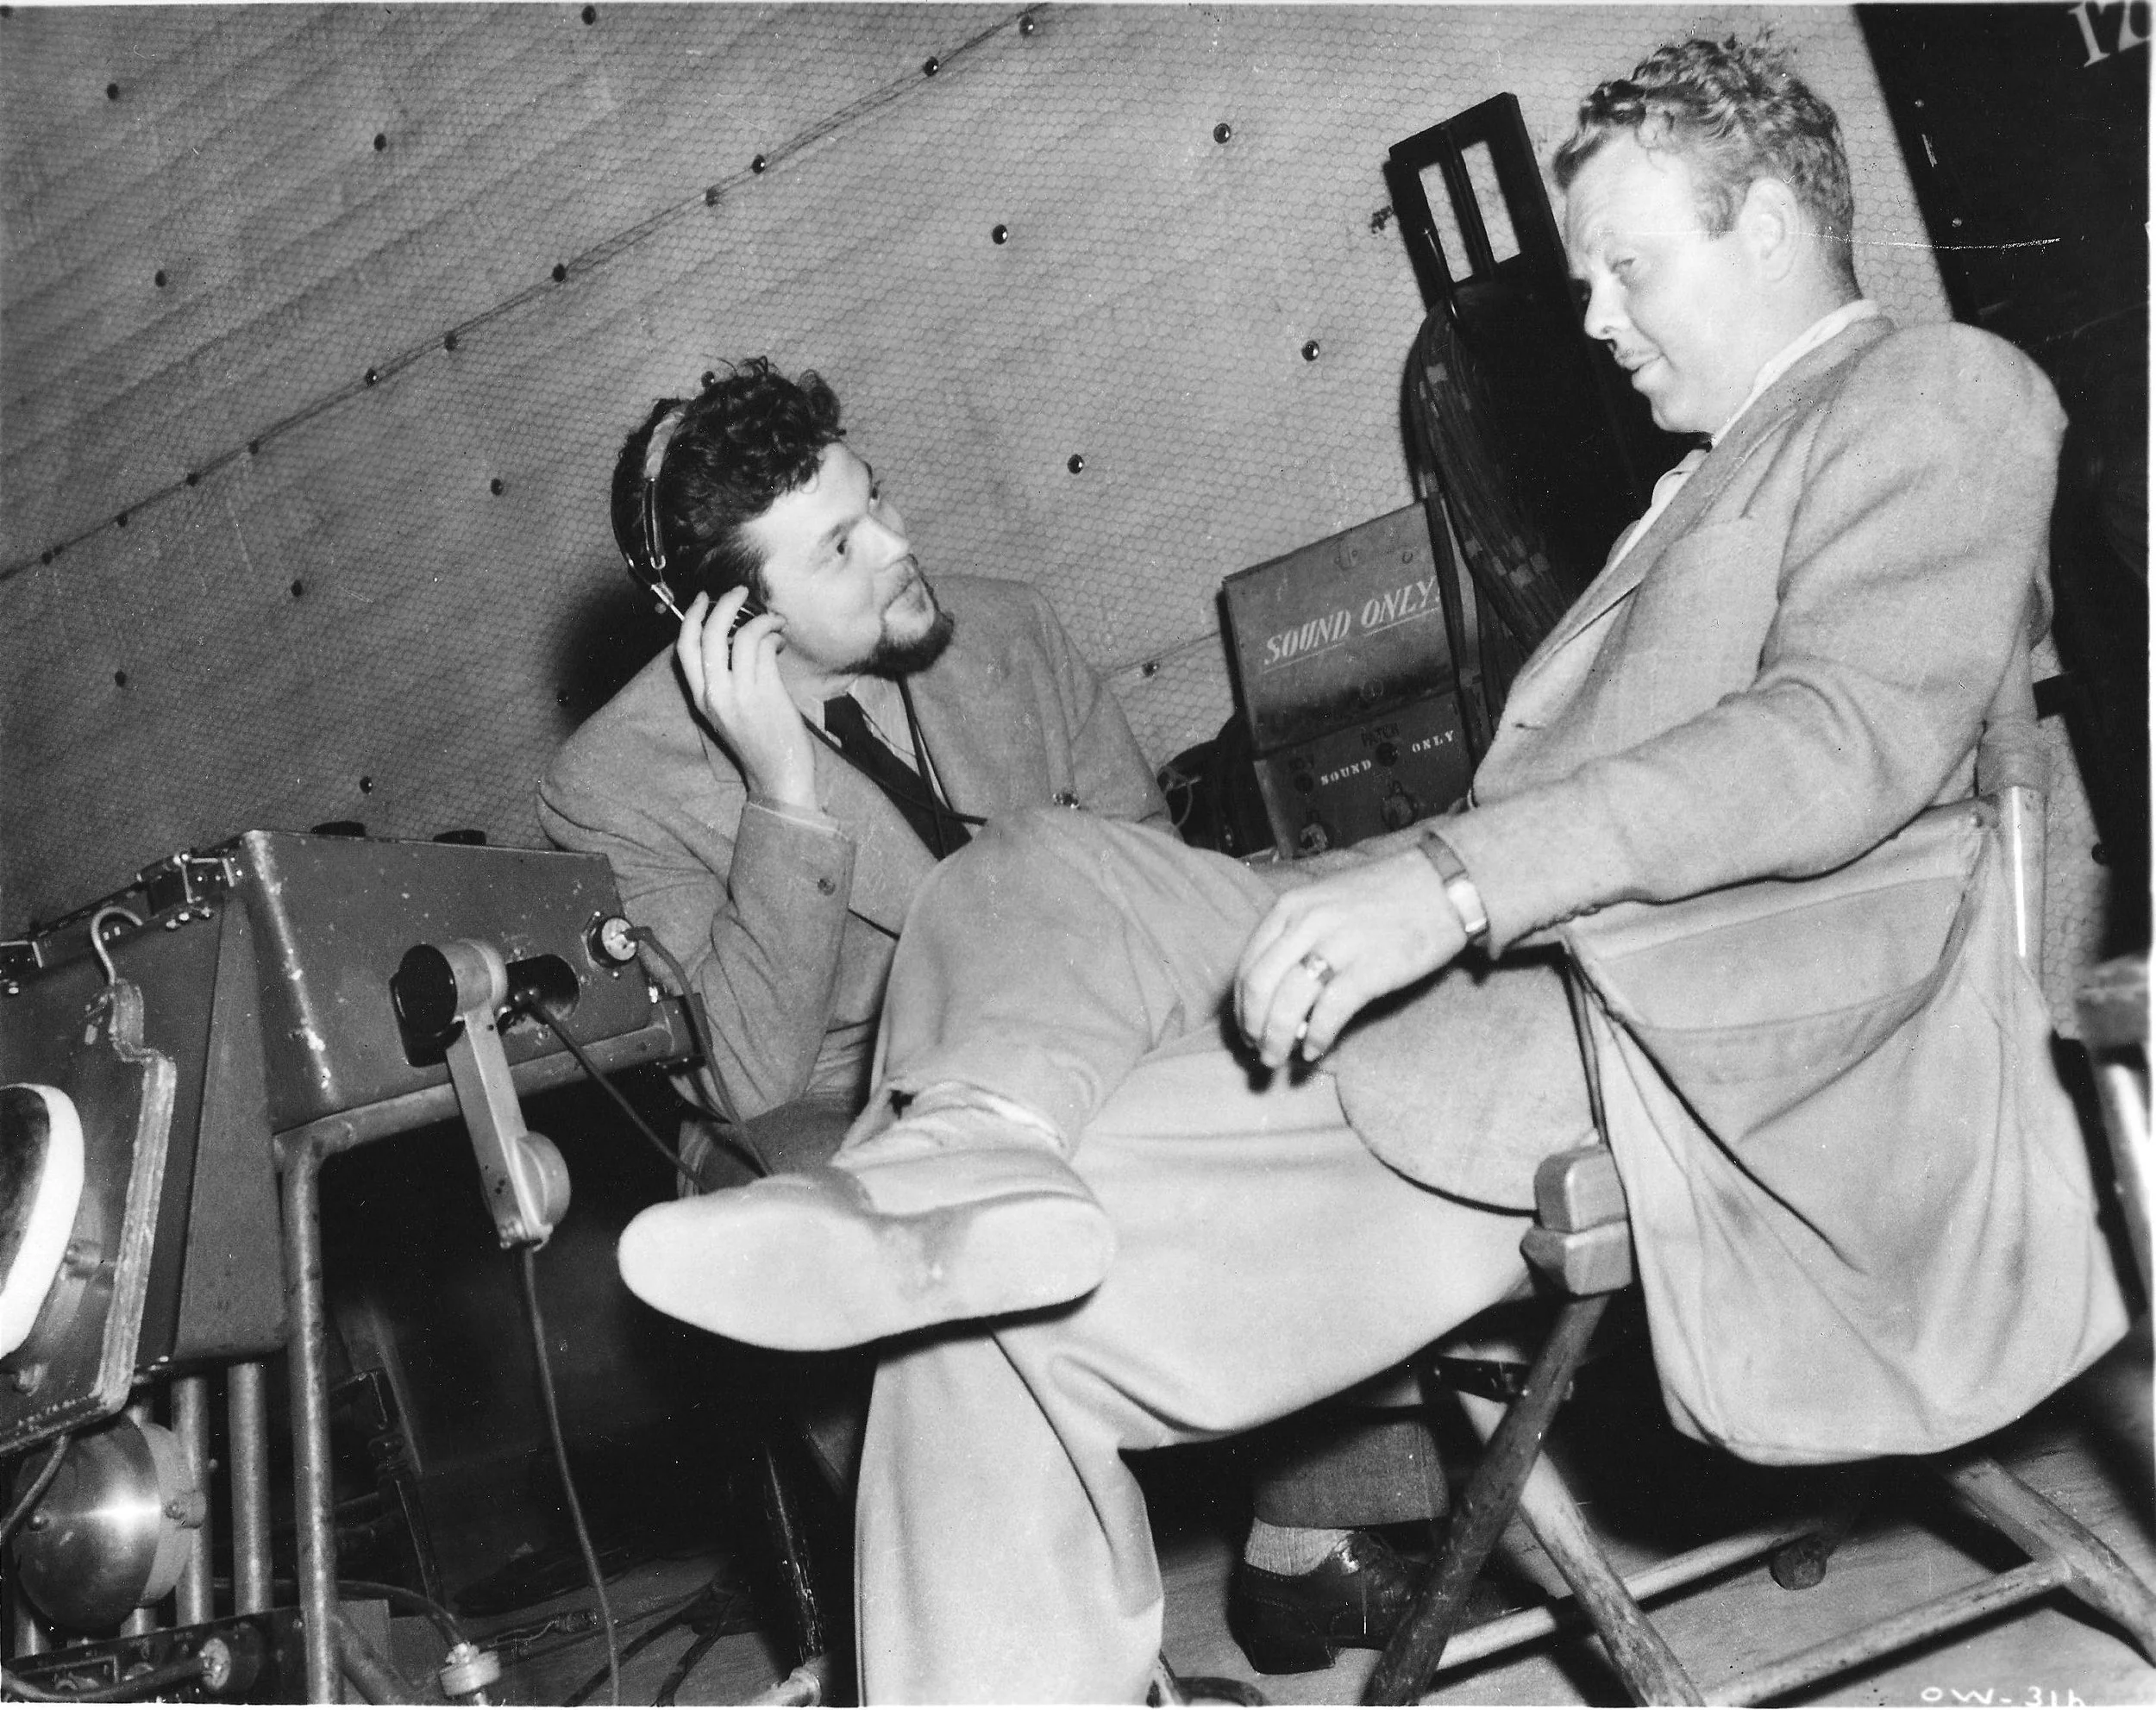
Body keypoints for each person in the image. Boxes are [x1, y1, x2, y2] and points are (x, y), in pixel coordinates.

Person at [615, 33, 2128, 1692]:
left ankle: (969, 1215)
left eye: (1628, 268)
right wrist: (1427, 880)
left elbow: (1834, 740)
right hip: (1529, 976)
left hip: (1655, 1025)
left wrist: (1456, 883)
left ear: (1770, 225)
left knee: (971, 1349)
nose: (1598, 320)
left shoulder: (1935, 391)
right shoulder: (1710, 474)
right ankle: (970, 1155)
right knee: (1032, 869)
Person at [540, 360, 1453, 1669]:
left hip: (1102, 1006)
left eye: (879, 500)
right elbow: (740, 1073)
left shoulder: (1007, 630)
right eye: (842, 549)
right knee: (838, 1201)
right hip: (844, 1090)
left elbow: (1155, 880)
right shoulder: (614, 784)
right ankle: (1044, 1648)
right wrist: (781, 796)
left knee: (1293, 1035)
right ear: (725, 618)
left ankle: (1313, 1536)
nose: (900, 547)